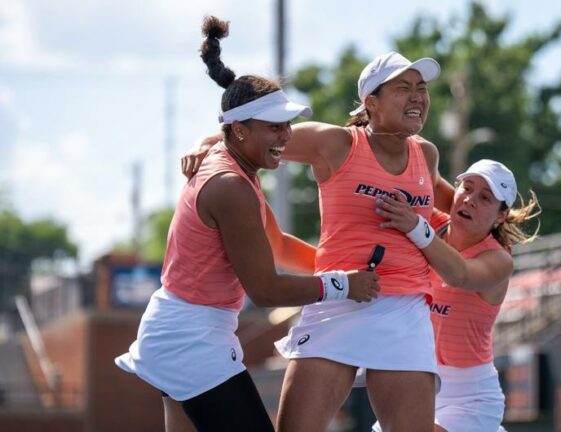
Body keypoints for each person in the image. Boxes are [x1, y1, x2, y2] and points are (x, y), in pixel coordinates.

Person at [115, 16, 380, 432]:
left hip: (183, 333)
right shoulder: (231, 187)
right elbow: (266, 288)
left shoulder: (237, 172)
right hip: (191, 340)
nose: (287, 135)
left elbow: (275, 243)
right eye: (275, 126)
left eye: (288, 124)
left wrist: (341, 270)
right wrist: (343, 285)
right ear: (239, 130)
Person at [183, 50, 453, 432]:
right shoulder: (335, 144)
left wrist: (489, 218)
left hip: (404, 309)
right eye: (403, 88)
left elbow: (451, 210)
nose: (418, 97)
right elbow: (250, 135)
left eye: (421, 88)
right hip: (339, 301)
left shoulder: (426, 153)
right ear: (370, 103)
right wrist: (206, 142)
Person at [372, 159, 539, 431]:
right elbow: (424, 160)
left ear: (500, 216)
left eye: (485, 198)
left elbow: (458, 274)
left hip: (470, 396)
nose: (470, 199)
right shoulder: (433, 224)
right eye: (467, 187)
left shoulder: (499, 259)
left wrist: (415, 226)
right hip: (418, 380)